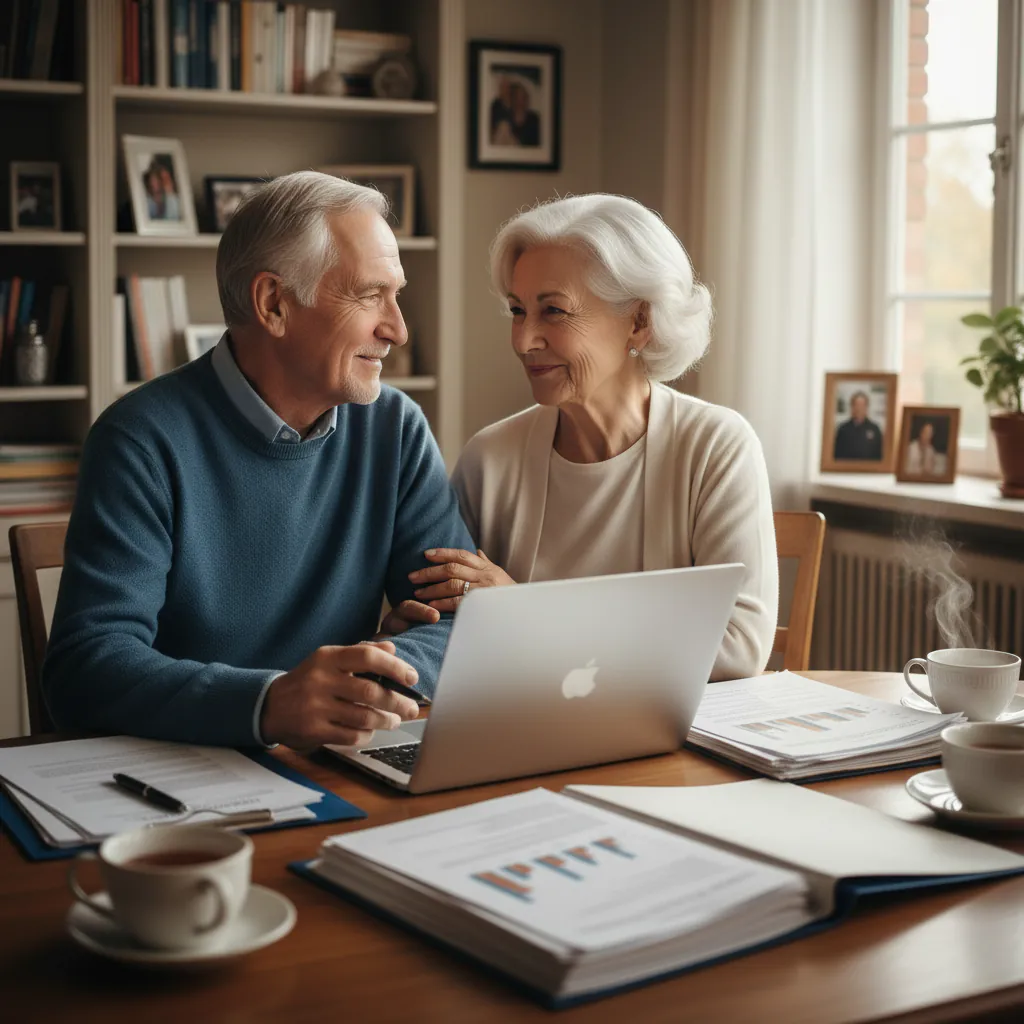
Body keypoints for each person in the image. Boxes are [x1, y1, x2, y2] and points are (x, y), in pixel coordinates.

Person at [43, 171, 474, 749]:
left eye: (395, 294)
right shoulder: (139, 439)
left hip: (336, 759)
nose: (396, 327)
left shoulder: (395, 428)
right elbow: (84, 670)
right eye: (371, 294)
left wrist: (367, 677)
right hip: (178, 773)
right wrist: (269, 702)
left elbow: (457, 620)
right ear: (273, 304)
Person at [388, 193, 778, 682]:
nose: (523, 340)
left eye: (553, 311)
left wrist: (521, 611)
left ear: (639, 322)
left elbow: (738, 648)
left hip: (673, 743)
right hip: (524, 733)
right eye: (516, 310)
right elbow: (450, 633)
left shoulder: (716, 447)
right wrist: (416, 627)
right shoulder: (490, 460)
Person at [833, 391, 883, 461]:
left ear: (867, 407)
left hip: (869, 470)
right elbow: (836, 455)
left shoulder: (875, 429)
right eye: (856, 405)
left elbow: (880, 455)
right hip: (846, 469)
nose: (859, 409)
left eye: (862, 405)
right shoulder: (843, 429)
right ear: (852, 407)